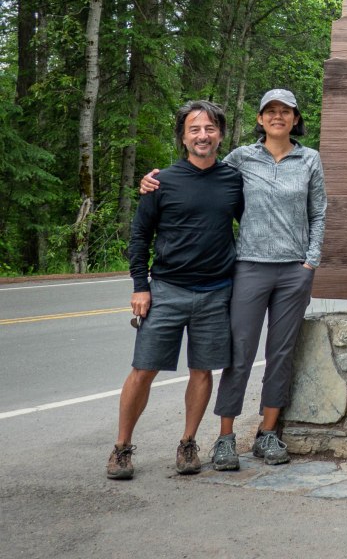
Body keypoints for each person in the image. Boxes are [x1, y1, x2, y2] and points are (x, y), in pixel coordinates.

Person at [141, 88, 326, 470]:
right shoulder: (241, 158)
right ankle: (225, 438)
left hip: (294, 270)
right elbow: (201, 174)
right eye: (270, 111)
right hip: (248, 268)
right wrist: (153, 182)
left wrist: (311, 261)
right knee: (238, 353)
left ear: (295, 118)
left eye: (285, 111)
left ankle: (268, 432)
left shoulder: (310, 159)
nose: (278, 117)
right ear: (259, 119)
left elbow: (319, 212)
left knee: (281, 352)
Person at [107, 101, 244, 479]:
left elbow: (252, 224)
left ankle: (187, 443)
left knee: (202, 371)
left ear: (220, 133)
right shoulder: (160, 181)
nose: (203, 136)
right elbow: (139, 237)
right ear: (183, 137)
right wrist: (140, 286)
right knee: (143, 370)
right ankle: (122, 447)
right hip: (166, 289)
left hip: (217, 292)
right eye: (195, 129)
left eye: (210, 128)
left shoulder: (234, 180)